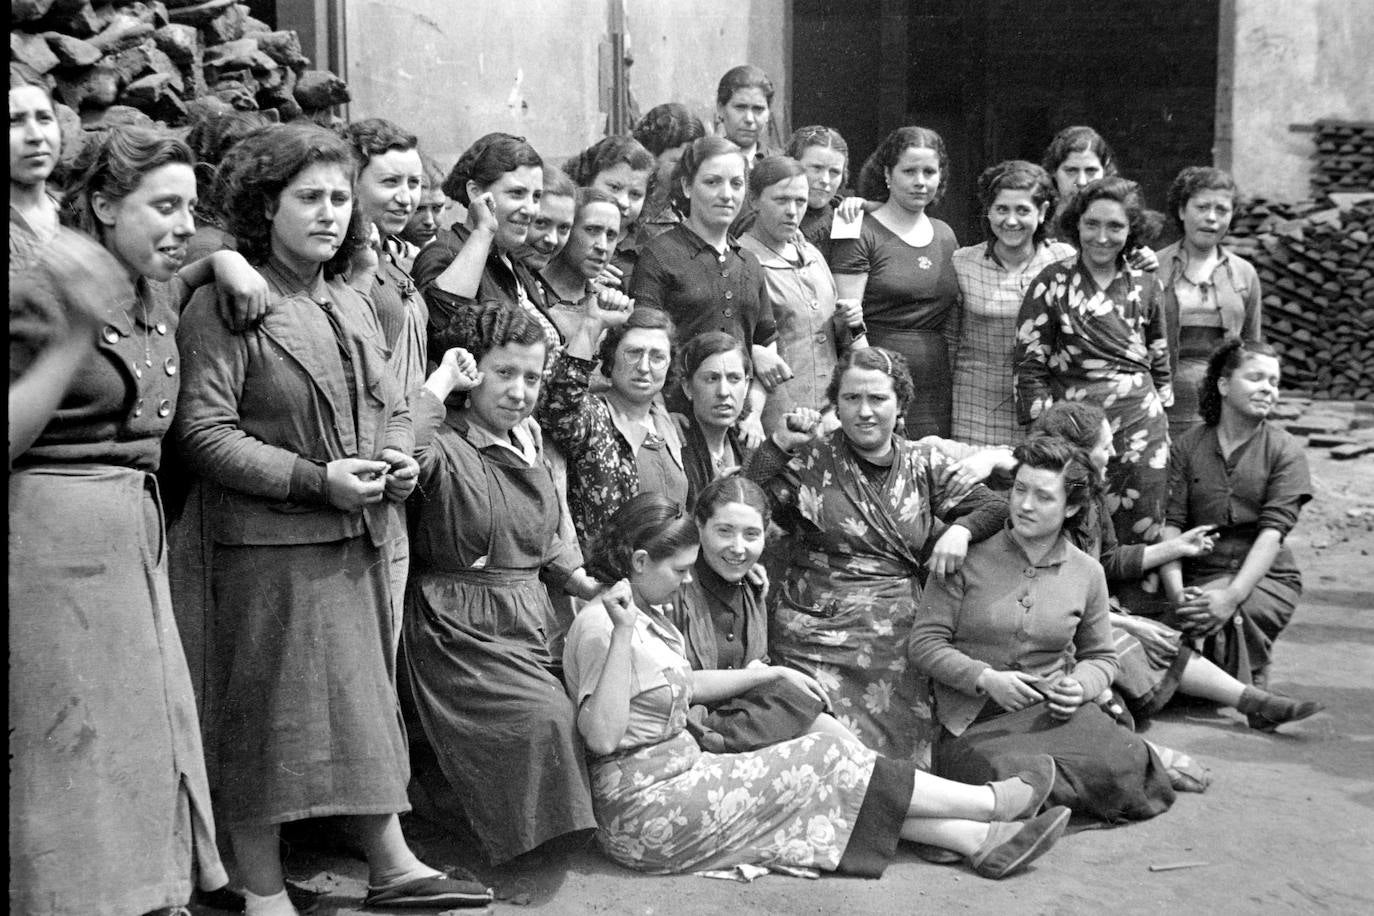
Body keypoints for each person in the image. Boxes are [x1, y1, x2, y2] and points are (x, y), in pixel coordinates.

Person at [175, 123, 487, 915]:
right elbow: (204, 434)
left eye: (340, 198)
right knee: (263, 714)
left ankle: (391, 861)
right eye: (307, 198)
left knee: (358, 704)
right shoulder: (229, 305)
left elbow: (389, 402)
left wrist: (399, 460)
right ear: (263, 206)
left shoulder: (350, 301)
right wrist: (317, 480)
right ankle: (260, 883)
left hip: (356, 541)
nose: (328, 213)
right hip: (263, 549)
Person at [564, 493, 1072, 880]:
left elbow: (679, 684)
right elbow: (603, 738)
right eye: (677, 570)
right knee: (823, 760)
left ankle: (978, 839)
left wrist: (768, 672)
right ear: (637, 563)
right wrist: (624, 633)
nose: (684, 580)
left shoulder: (641, 612)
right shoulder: (602, 626)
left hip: (683, 776)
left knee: (825, 774)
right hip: (645, 812)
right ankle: (987, 804)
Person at [10, 121, 236, 916]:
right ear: (103, 205)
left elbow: (195, 259)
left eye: (192, 207)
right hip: (49, 542)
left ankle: (147, 899)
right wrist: (73, 330)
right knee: (70, 753)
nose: (184, 227)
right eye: (165, 207)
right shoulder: (42, 288)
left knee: (143, 742)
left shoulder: (155, 283)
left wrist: (227, 260)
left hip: (133, 541)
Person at [400, 302, 601, 866]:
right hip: (457, 625)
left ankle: (539, 838)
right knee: (542, 718)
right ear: (473, 372)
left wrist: (581, 582)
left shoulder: (527, 440)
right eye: (504, 373)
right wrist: (439, 383)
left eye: (532, 378)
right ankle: (513, 848)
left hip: (526, 613)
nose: (519, 391)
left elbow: (541, 532)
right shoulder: (445, 443)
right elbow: (401, 453)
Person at [744, 347, 1008, 763]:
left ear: (900, 403)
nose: (864, 412)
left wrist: (959, 530)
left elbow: (992, 507)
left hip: (895, 622)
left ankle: (899, 799)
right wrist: (778, 444)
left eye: (878, 399)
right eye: (851, 399)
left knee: (907, 694)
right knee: (817, 727)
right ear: (837, 404)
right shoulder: (812, 458)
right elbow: (746, 500)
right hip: (815, 625)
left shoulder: (923, 462)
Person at [909, 437, 1177, 824]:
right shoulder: (964, 556)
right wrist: (985, 678)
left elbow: (1101, 657)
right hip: (976, 719)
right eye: (1019, 489)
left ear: (1071, 507)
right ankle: (1051, 798)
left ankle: (1048, 802)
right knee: (1003, 774)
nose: (1025, 504)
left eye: (1043, 497)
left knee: (1130, 764)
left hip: (1051, 712)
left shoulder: (1088, 572)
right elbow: (925, 643)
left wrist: (1081, 686)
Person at [1030, 401, 1321, 731]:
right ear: (1079, 454)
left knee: (1158, 639)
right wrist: (1133, 624)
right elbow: (1050, 595)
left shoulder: (1092, 498)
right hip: (1052, 623)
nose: (1112, 453)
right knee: (1129, 645)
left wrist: (1177, 546)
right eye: (1105, 446)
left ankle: (1254, 702)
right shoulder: (1046, 510)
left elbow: (1108, 561)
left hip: (1087, 613)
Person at [1158, 338, 1315, 712]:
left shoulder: (1285, 450)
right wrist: (1178, 594)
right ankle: (1250, 693)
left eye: (1274, 382)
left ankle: (1245, 683)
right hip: (1199, 570)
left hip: (1264, 577)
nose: (1267, 388)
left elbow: (1272, 534)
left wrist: (1230, 596)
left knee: (1235, 613)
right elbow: (1172, 525)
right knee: (1165, 629)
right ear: (1224, 385)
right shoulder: (1188, 446)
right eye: (1256, 377)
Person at [1014, 176, 1171, 548]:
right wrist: (1050, 437)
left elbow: (1160, 360)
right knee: (1076, 525)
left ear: (1132, 229)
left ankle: (1137, 608)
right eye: (1092, 224)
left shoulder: (1147, 285)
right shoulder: (1052, 282)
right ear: (1076, 224)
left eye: (1115, 226)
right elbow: (1029, 366)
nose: (1102, 237)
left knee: (1143, 523)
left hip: (1140, 430)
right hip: (1076, 433)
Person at [629, 135, 785, 438]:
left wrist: (752, 413)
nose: (726, 195)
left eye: (736, 184)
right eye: (712, 182)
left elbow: (766, 341)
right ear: (688, 186)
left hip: (737, 427)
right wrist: (659, 411)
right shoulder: (660, 255)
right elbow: (643, 341)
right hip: (677, 422)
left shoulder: (749, 263)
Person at [832, 126, 960, 438]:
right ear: (888, 173)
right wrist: (877, 379)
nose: (920, 181)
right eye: (909, 171)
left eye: (929, 172)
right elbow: (846, 320)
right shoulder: (858, 230)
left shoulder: (945, 234)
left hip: (935, 384)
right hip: (877, 381)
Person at [536, 303, 685, 548]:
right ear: (611, 356)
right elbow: (560, 404)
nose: (644, 367)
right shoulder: (592, 415)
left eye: (657, 357)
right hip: (607, 580)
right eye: (633, 353)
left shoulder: (663, 422)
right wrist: (592, 325)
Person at [950, 161, 1075, 447]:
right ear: (988, 211)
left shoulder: (1063, 259)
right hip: (976, 404)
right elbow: (949, 339)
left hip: (1045, 404)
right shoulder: (963, 262)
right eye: (1002, 209)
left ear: (1042, 212)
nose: (1011, 220)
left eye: (1022, 210)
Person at [739, 155, 865, 435]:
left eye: (800, 201)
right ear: (754, 200)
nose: (792, 211)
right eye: (781, 200)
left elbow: (833, 338)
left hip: (830, 416)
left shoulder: (811, 254)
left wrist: (848, 321)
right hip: (775, 417)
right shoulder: (743, 261)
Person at [412, 132, 559, 360]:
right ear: (475, 192)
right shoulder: (445, 251)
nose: (530, 209)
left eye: (536, 196)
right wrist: (483, 231)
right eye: (517, 193)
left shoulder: (515, 265)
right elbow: (441, 328)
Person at [1159, 166, 1263, 437]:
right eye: (1202, 207)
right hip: (1163, 399)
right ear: (1182, 211)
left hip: (1223, 400)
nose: (1211, 219)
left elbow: (1252, 346)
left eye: (1222, 210)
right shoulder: (1153, 267)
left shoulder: (1244, 273)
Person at [673, 331, 753, 506]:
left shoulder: (744, 444)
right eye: (711, 379)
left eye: (734, 378)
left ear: (746, 386)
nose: (724, 391)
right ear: (687, 387)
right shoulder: (675, 447)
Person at [562, 134, 654, 283]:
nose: (624, 202)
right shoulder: (562, 233)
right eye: (614, 187)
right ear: (588, 179)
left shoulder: (648, 251)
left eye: (635, 194)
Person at [632, 101, 706, 240]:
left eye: (692, 163)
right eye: (677, 162)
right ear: (651, 157)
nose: (687, 170)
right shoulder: (628, 207)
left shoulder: (690, 213)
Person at [785, 124, 850, 262]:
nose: (825, 180)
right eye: (816, 168)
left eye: (834, 172)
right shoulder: (763, 216)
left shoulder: (846, 218)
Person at [715, 64, 775, 164]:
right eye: (740, 107)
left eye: (758, 109)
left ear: (768, 113)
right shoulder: (703, 163)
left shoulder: (782, 168)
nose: (749, 119)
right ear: (720, 108)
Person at [398, 151, 449, 253]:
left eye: (437, 208)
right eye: (418, 209)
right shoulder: (381, 249)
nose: (429, 221)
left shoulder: (457, 248)